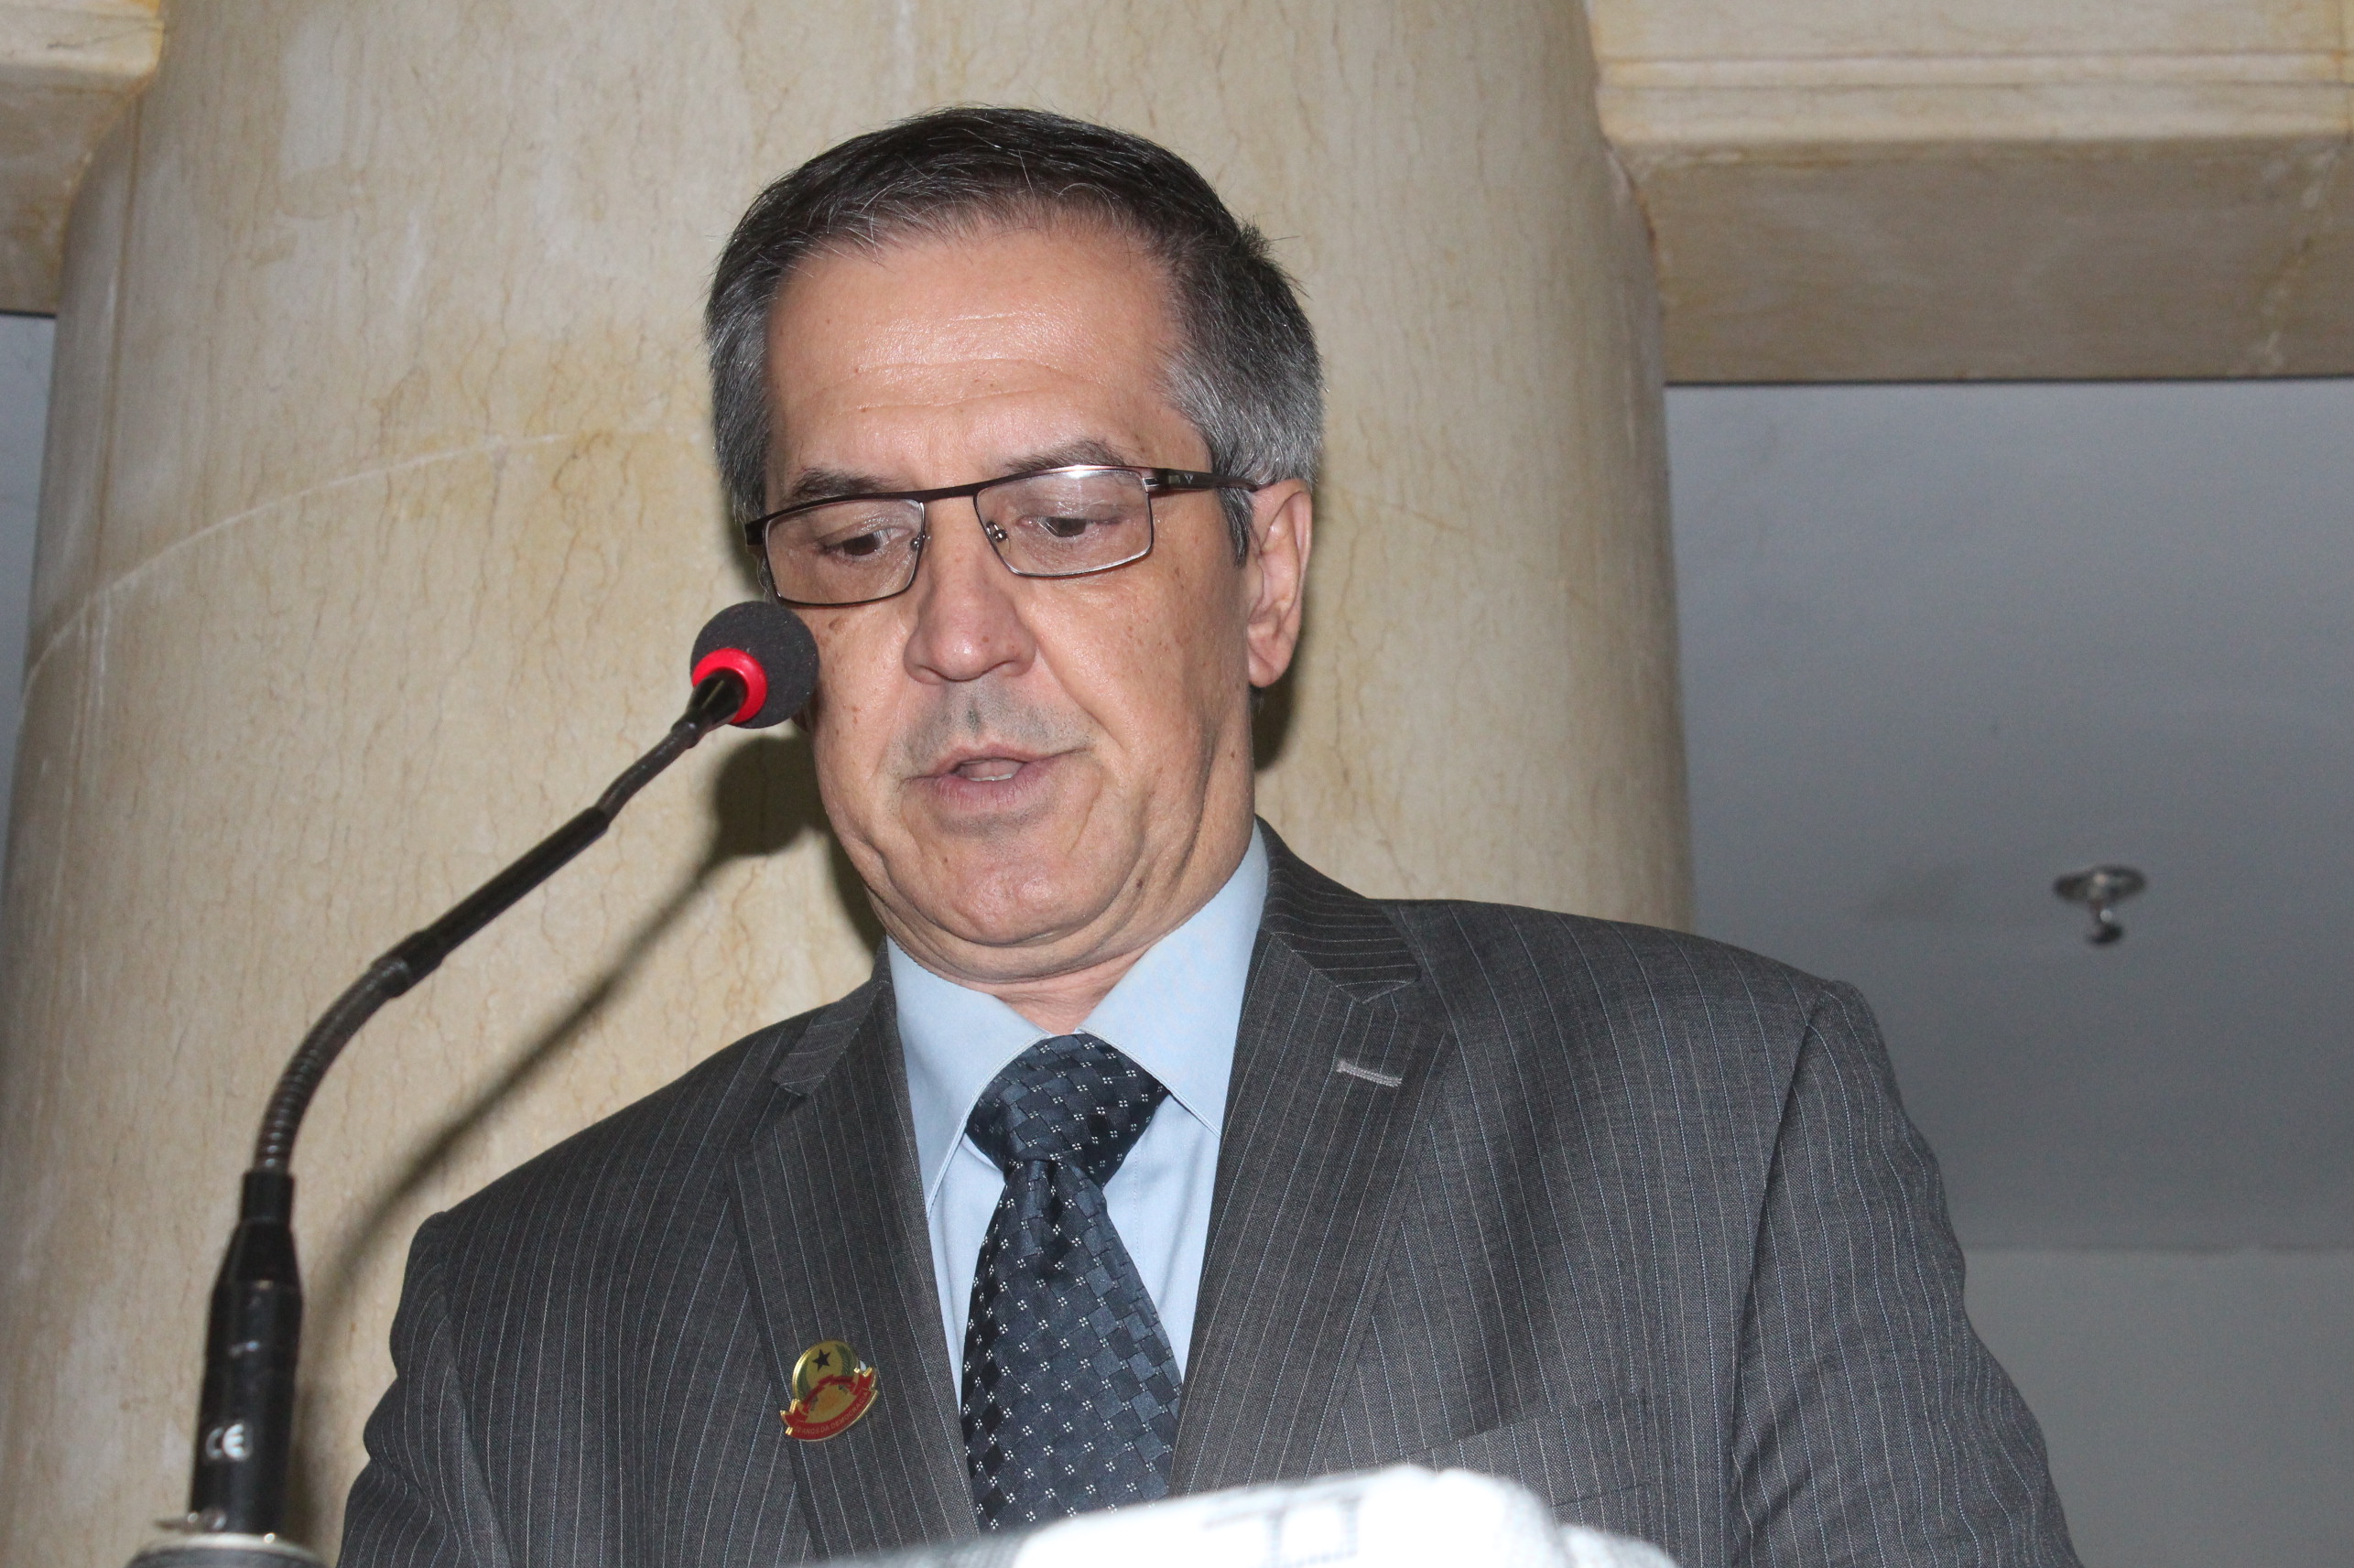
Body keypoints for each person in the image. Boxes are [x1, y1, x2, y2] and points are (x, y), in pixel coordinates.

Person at [341, 107, 2078, 1568]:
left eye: (1064, 517)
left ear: (1265, 576)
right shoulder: (526, 1315)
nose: (958, 634)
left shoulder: (1721, 1113)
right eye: (861, 540)